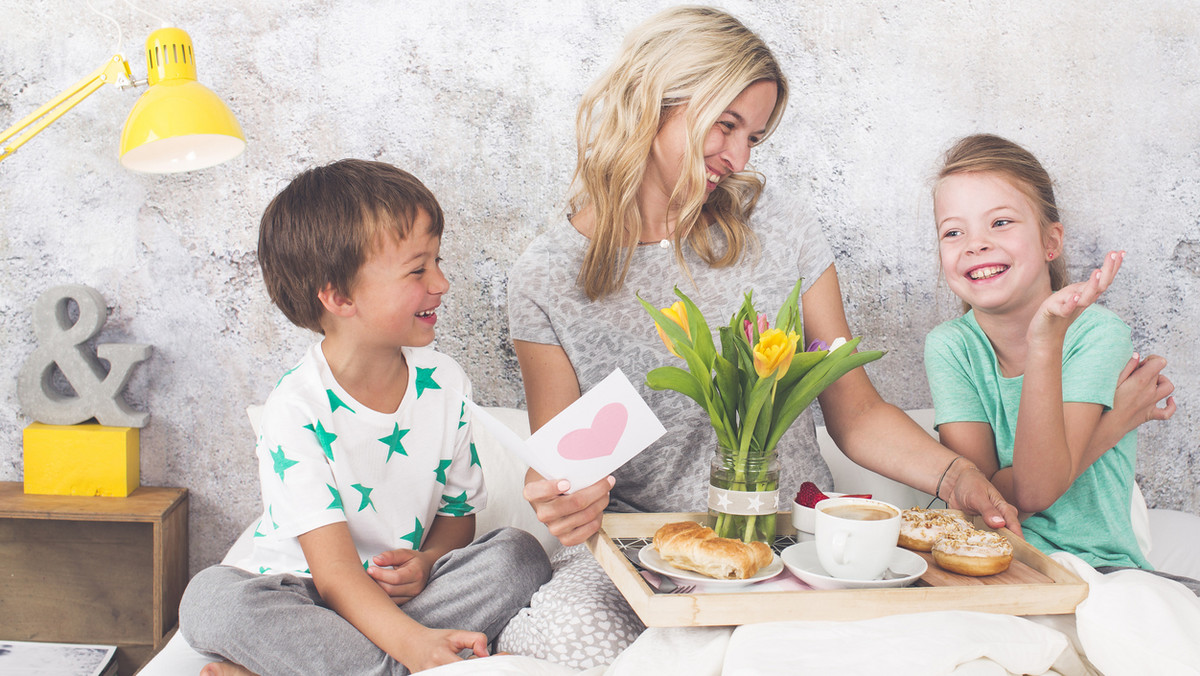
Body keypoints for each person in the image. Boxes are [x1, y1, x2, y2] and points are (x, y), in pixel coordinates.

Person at [499, 7, 1027, 667]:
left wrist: (956, 475)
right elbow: (565, 460)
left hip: (791, 542)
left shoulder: (780, 225)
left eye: (755, 136)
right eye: (727, 125)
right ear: (651, 100)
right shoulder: (546, 276)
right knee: (564, 641)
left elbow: (855, 412)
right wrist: (562, 498)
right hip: (646, 554)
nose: (740, 156)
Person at [179, 159, 551, 675]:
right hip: (304, 595)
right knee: (211, 598)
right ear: (339, 296)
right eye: (418, 269)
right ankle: (412, 659)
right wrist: (414, 645)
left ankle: (308, 667)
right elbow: (331, 575)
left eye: (437, 262)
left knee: (518, 553)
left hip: (396, 598)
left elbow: (457, 517)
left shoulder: (446, 383)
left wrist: (424, 562)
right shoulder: (297, 408)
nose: (441, 282)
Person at [924, 133, 1195, 593]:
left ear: (1051, 242)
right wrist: (1113, 423)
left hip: (1100, 568)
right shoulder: (950, 347)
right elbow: (979, 506)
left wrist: (1047, 340)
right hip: (990, 565)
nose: (975, 245)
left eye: (1001, 222)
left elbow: (1022, 492)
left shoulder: (1096, 333)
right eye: (954, 232)